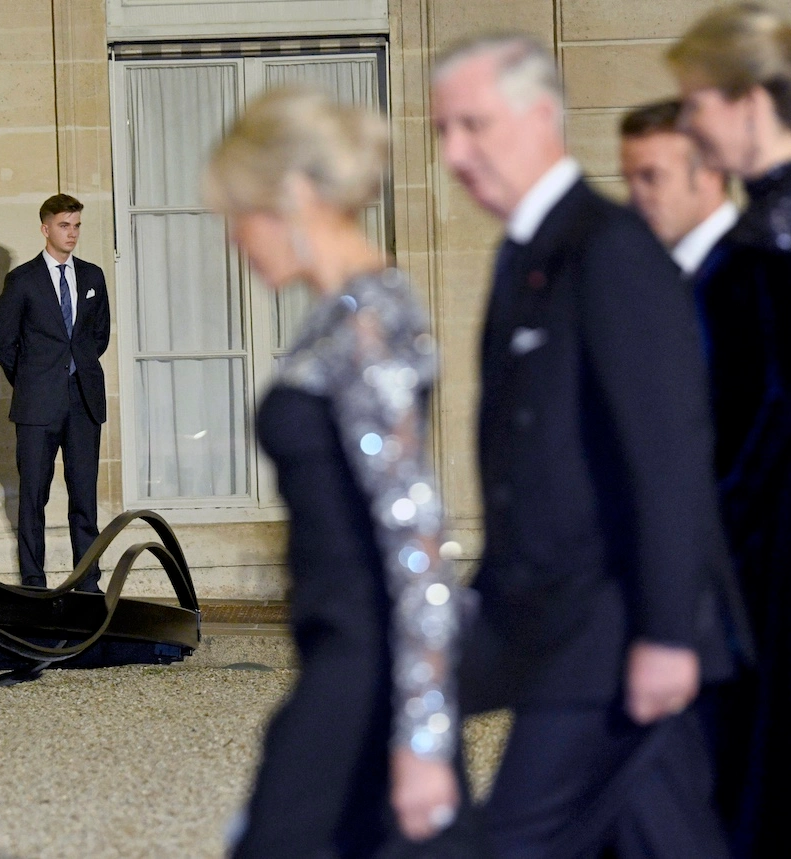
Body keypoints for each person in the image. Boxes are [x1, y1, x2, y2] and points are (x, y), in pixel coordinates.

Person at [430, 34, 746, 858]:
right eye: (443, 132)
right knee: (666, 836)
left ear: (540, 118)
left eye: (473, 125)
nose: (455, 154)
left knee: (513, 841)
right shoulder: (527, 251)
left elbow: (669, 453)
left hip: (612, 633)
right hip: (556, 621)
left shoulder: (611, 250)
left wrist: (670, 634)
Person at [205, 88, 483, 858]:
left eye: (239, 213)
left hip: (366, 669)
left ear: (295, 195)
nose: (233, 239)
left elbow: (417, 537)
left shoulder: (369, 323)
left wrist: (424, 732)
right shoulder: (343, 314)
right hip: (343, 655)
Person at [668, 6, 791, 856]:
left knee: (775, 756)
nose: (692, 125)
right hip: (778, 514)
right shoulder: (787, 209)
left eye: (698, 103)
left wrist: (711, 527)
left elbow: (781, 404)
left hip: (777, 529)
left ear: (749, 99)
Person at [0, 194, 110, 592]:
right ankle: (33, 580)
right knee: (33, 498)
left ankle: (87, 581)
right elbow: (4, 344)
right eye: (64, 225)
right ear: (46, 228)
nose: (72, 233)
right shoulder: (22, 280)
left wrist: (76, 371)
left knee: (84, 498)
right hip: (37, 406)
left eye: (76, 225)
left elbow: (99, 337)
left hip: (83, 403)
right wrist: (32, 382)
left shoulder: (93, 277)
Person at [619, 99, 738, 277]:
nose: (634, 198)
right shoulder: (643, 268)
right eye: (628, 180)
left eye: (651, 177)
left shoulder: (762, 270)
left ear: (710, 172)